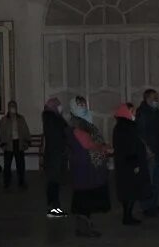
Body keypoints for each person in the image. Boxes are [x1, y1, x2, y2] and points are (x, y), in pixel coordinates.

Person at [67, 96, 110, 238]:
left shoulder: (84, 123)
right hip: (83, 165)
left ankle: (84, 226)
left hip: (86, 164)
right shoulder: (76, 126)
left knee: (84, 197)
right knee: (84, 198)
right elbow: (87, 144)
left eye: (84, 104)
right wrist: (103, 147)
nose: (83, 107)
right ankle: (84, 228)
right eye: (79, 105)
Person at [113, 103, 152, 226]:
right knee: (130, 191)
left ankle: (128, 215)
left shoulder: (122, 126)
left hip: (125, 163)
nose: (134, 113)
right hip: (130, 164)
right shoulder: (126, 127)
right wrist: (135, 164)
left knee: (128, 191)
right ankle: (127, 217)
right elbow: (129, 147)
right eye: (132, 111)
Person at [135, 89, 159, 217]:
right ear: (147, 98)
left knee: (157, 181)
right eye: (154, 97)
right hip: (150, 152)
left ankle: (154, 204)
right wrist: (148, 150)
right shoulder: (143, 112)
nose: (157, 100)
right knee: (149, 180)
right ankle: (147, 207)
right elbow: (141, 134)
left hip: (158, 150)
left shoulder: (155, 111)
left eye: (157, 97)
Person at [40, 98, 69, 218]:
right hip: (56, 155)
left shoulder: (50, 118)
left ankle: (53, 205)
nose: (60, 108)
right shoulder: (54, 119)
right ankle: (55, 208)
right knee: (54, 182)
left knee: (52, 181)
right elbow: (59, 135)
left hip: (53, 155)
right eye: (59, 105)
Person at [0, 101, 32, 191]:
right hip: (8, 144)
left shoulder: (21, 118)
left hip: (19, 143)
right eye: (11, 106)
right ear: (8, 108)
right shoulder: (4, 119)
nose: (13, 108)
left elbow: (25, 130)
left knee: (20, 164)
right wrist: (2, 143)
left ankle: (21, 182)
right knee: (7, 165)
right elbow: (1, 132)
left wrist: (27, 141)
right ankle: (7, 182)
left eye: (14, 106)